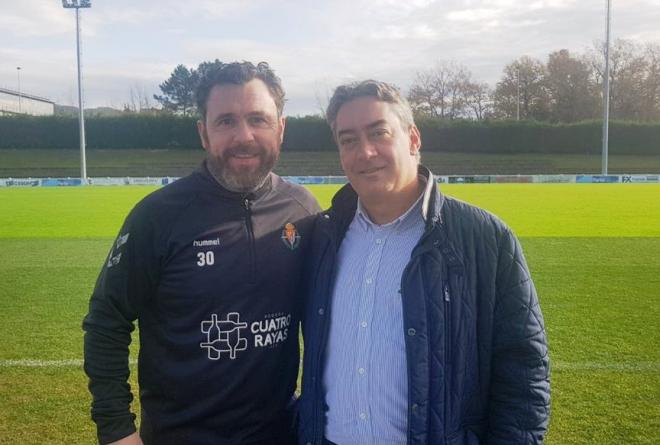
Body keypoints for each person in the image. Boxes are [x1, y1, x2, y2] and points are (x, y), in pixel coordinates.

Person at [297, 80, 550, 445]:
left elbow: (524, 372)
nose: (365, 152)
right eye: (348, 139)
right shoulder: (322, 238)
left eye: (379, 133)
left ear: (413, 139)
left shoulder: (484, 238)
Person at [83, 61, 320, 445]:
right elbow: (106, 322)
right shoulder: (158, 216)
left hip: (280, 435)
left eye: (258, 119)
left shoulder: (303, 211)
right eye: (226, 121)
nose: (244, 136)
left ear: (281, 128)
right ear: (203, 134)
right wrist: (116, 430)